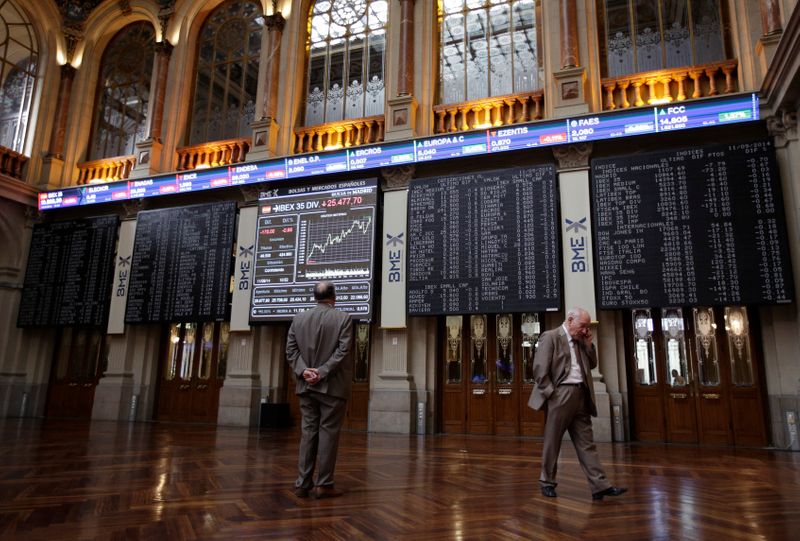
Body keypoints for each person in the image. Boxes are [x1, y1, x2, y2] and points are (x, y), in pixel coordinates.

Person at [528, 307, 627, 500]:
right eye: (583, 326)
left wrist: (589, 344)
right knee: (552, 441)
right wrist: (552, 395)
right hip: (561, 394)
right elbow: (539, 370)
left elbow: (592, 365)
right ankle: (547, 482)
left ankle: (600, 485)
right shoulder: (551, 337)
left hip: (582, 394)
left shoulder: (582, 340)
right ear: (570, 320)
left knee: (586, 443)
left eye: (587, 327)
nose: (585, 330)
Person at [286, 281, 353, 499]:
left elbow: (291, 351)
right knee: (328, 434)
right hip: (332, 389)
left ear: (315, 297)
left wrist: (305, 371)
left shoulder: (298, 319)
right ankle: (324, 484)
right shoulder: (343, 319)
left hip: (306, 386)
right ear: (334, 296)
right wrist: (322, 372)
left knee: (308, 434)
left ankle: (302, 484)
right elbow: (342, 351)